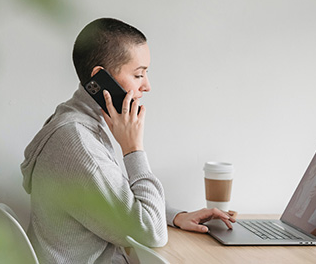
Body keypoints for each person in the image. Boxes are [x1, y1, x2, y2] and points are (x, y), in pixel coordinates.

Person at [21, 17, 235, 264]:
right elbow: (151, 234)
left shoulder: (74, 120)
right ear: (101, 79)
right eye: (138, 74)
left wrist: (176, 216)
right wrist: (133, 149)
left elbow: (118, 199)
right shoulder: (79, 144)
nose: (147, 86)